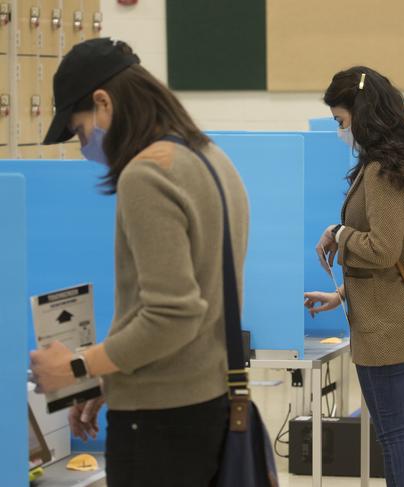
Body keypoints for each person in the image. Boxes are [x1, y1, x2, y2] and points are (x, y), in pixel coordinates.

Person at [29, 38, 249, 487]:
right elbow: (200, 306)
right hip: (206, 403)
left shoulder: (147, 174)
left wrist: (77, 366)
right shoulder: (210, 158)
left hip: (162, 425)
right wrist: (113, 374)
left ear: (103, 102)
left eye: (79, 131)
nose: (82, 145)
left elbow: (173, 314)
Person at [304, 67, 404, 487]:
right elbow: (403, 251)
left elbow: (384, 250)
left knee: (396, 435)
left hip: (386, 326)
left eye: (340, 121)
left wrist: (339, 232)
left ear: (362, 114)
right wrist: (341, 294)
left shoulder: (382, 170)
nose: (339, 131)